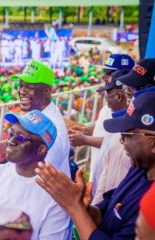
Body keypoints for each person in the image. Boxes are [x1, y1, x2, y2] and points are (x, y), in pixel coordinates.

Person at [35, 91, 155, 239]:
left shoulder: (152, 201)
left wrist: (74, 206)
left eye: (127, 135)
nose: (121, 141)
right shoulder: (139, 170)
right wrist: (83, 206)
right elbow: (111, 208)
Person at [0, 110, 70, 240]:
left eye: (21, 138)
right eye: (10, 134)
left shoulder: (56, 197)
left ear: (41, 149)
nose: (11, 141)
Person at [0, 60, 71, 175]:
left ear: (46, 92)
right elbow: (21, 141)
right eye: (21, 86)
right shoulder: (37, 111)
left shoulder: (52, 131)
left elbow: (39, 177)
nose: (22, 91)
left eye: (29, 87)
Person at [68, 54, 135, 184]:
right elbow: (103, 126)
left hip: (112, 174)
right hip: (99, 168)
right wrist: (85, 130)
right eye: (105, 71)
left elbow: (117, 142)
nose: (105, 76)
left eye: (110, 72)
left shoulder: (127, 104)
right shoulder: (110, 96)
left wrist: (85, 139)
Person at [91, 69, 131, 203]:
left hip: (122, 208)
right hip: (109, 205)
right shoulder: (116, 125)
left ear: (119, 96)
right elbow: (106, 170)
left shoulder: (138, 135)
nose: (106, 101)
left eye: (107, 95)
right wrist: (97, 205)